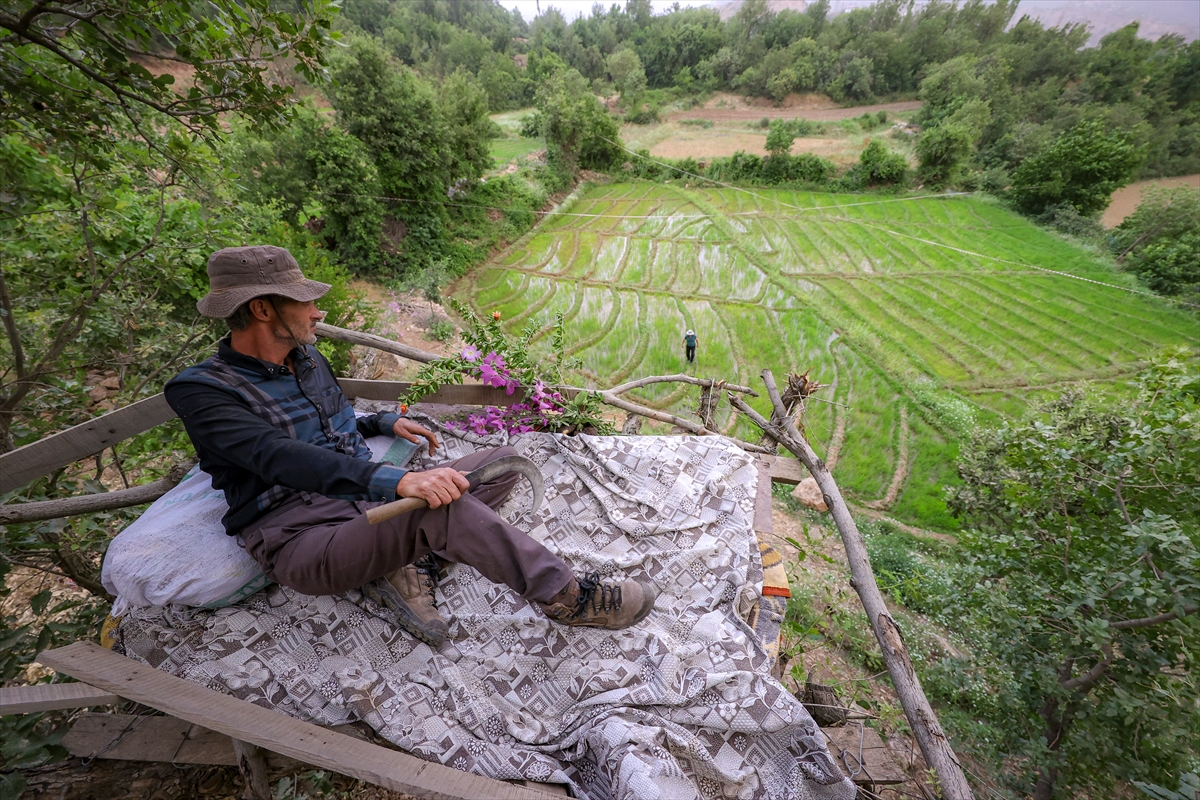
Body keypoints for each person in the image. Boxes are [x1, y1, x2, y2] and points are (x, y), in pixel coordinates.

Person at [164, 246, 656, 646]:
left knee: (501, 464)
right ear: (263, 308)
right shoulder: (203, 390)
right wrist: (399, 481)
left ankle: (408, 563)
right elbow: (276, 455)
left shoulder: (306, 357)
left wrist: (380, 423)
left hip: (361, 500)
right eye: (305, 301)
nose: (319, 311)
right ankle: (567, 597)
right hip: (301, 532)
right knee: (437, 508)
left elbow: (331, 420)